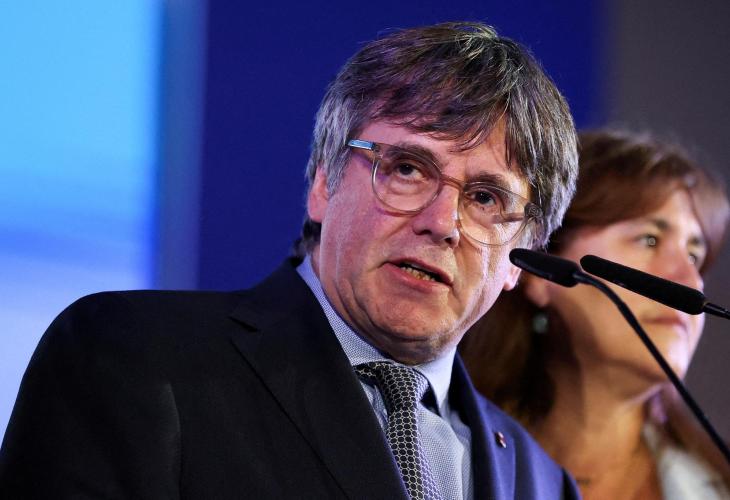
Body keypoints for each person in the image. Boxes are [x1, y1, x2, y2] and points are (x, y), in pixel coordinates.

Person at [0, 22, 580, 499]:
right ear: (324, 183)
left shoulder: (544, 484)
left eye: (486, 199)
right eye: (407, 169)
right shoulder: (132, 356)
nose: (442, 222)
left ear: (521, 260)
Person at [461, 129, 730, 499]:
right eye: (649, 239)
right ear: (543, 269)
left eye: (695, 255)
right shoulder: (449, 454)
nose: (690, 281)